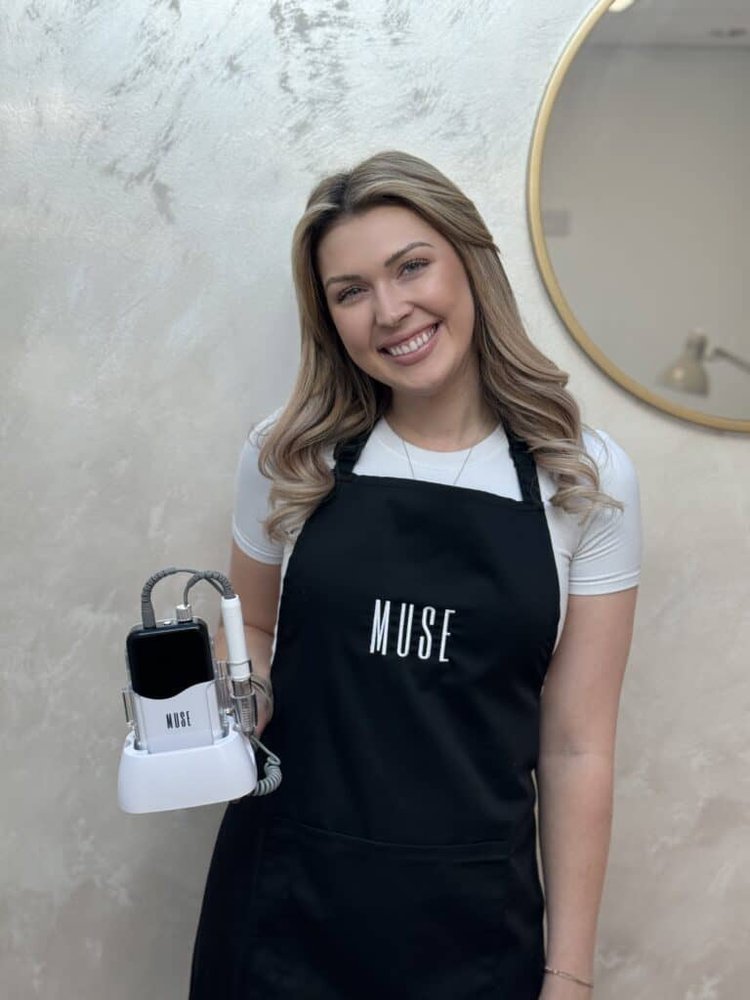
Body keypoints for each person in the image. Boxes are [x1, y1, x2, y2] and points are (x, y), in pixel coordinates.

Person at [189, 150, 641, 1000]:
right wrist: (234, 696)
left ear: (469, 262)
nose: (390, 311)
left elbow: (577, 747)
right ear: (328, 317)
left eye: (411, 267)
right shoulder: (289, 456)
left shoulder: (582, 477)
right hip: (286, 907)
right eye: (350, 291)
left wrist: (570, 973)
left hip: (474, 928)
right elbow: (251, 626)